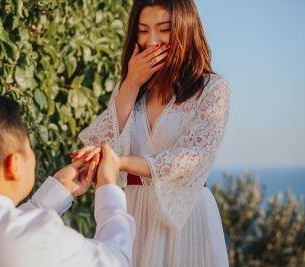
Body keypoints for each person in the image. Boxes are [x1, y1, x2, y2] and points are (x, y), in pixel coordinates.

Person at [73, 0, 230, 266]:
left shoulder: (213, 88)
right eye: (143, 30)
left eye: (163, 29)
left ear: (185, 29)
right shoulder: (130, 88)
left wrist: (120, 161)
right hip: (133, 213)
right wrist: (131, 83)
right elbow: (104, 142)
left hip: (186, 216)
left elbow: (190, 158)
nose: (152, 41)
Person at [0, 92, 135, 267]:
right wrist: (108, 189)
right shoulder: (42, 238)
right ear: (14, 165)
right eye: (29, 148)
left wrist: (54, 195)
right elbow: (117, 260)